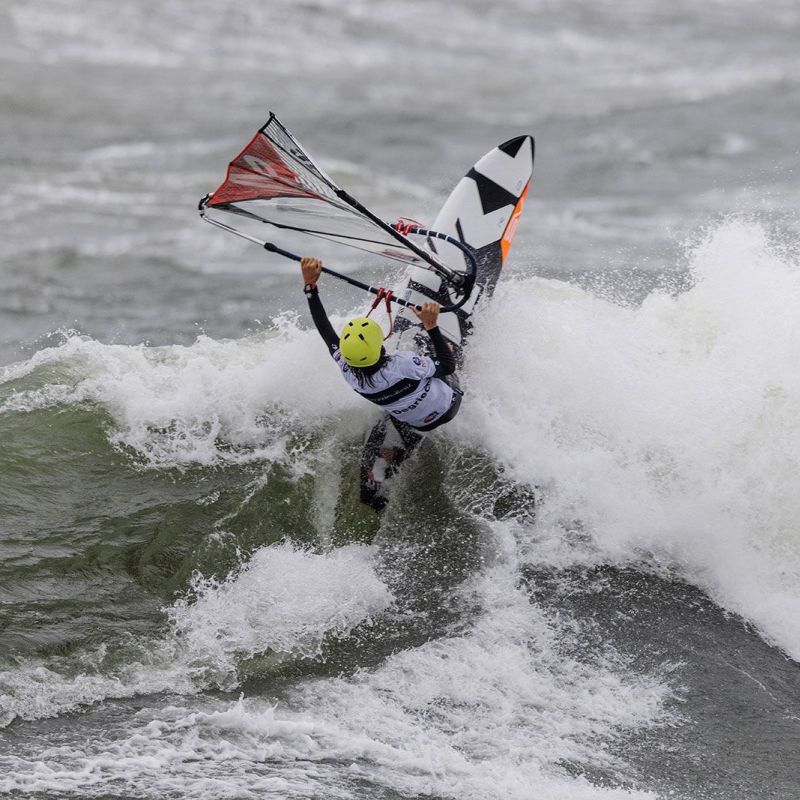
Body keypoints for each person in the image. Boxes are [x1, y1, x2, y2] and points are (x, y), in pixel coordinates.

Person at [300, 256, 462, 432]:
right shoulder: (401, 364)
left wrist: (310, 287)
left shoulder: (349, 373)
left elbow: (325, 331)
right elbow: (448, 367)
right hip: (449, 406)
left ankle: (401, 432)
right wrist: (431, 326)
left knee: (394, 397)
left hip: (420, 425)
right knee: (442, 350)